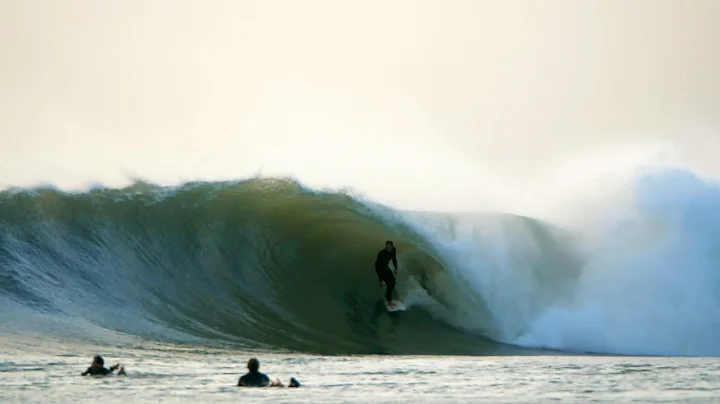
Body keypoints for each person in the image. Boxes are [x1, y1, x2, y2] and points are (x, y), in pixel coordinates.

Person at [374, 240, 398, 305]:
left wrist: (396, 268)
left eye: (389, 246)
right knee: (390, 283)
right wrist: (380, 279)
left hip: (386, 268)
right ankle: (389, 300)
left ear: (392, 246)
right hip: (380, 268)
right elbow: (377, 267)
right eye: (387, 246)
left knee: (392, 283)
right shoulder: (382, 254)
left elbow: (394, 259)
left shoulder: (393, 250)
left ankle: (387, 296)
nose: (388, 248)